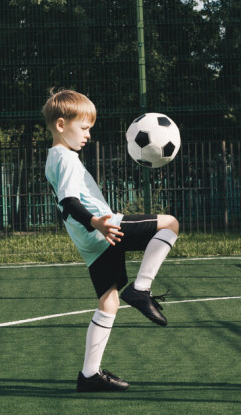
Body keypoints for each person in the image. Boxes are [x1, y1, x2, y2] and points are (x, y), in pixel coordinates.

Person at [42, 89, 179, 392]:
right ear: (62, 125)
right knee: (169, 224)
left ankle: (89, 375)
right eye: (85, 127)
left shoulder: (56, 157)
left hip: (91, 242)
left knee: (109, 302)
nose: (88, 134)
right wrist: (97, 222)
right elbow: (68, 202)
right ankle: (141, 290)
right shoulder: (63, 158)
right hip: (104, 229)